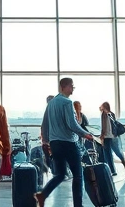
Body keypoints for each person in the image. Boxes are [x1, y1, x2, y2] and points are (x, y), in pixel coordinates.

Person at [35, 78, 93, 207]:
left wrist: (45, 140)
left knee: (60, 174)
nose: (72, 88)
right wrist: (85, 134)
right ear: (63, 87)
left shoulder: (51, 103)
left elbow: (44, 124)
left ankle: (42, 195)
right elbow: (72, 124)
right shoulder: (67, 102)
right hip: (69, 143)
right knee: (78, 175)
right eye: (71, 86)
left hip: (55, 144)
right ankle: (78, 205)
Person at [98, 102, 125, 178]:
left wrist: (102, 137)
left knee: (108, 154)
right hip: (114, 136)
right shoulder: (111, 114)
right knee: (117, 152)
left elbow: (104, 127)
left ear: (104, 107)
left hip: (107, 137)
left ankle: (113, 171)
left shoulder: (104, 115)